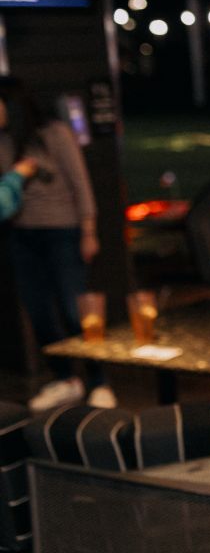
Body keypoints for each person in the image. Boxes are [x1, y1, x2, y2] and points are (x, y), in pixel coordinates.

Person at [0, 80, 114, 410]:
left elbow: (81, 185)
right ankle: (65, 378)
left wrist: (89, 231)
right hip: (21, 234)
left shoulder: (55, 133)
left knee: (73, 309)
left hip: (62, 231)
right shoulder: (4, 141)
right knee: (39, 313)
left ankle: (99, 381)